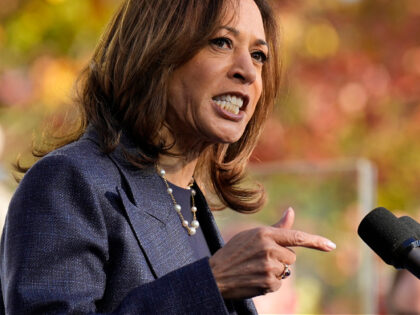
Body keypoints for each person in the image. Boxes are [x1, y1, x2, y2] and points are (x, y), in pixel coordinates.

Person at [0, 0, 336, 313]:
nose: (248, 71)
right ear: (155, 50)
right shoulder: (67, 183)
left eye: (259, 55)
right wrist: (213, 281)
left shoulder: (188, 201)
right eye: (221, 42)